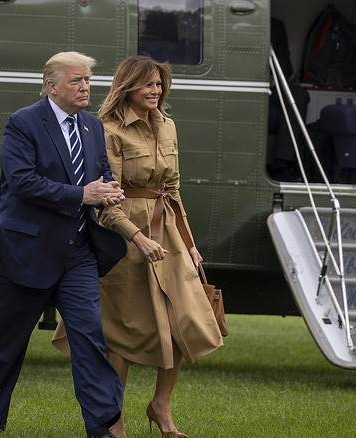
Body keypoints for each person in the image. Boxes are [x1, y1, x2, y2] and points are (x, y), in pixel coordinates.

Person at [53, 55, 223, 438]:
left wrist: (190, 243)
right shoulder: (107, 129)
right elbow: (107, 199)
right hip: (125, 237)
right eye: (148, 84)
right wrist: (137, 237)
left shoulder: (169, 126)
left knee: (186, 320)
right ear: (129, 86)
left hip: (168, 234)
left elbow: (174, 191)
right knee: (123, 333)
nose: (155, 91)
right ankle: (114, 421)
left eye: (159, 85)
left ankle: (161, 406)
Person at [0, 51, 127, 438]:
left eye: (88, 81)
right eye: (76, 81)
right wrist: (82, 195)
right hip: (25, 251)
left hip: (77, 253)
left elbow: (100, 174)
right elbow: (22, 182)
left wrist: (107, 190)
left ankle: (103, 428)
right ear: (52, 86)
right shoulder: (23, 123)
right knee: (4, 348)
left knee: (90, 339)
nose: (85, 87)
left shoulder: (92, 126)